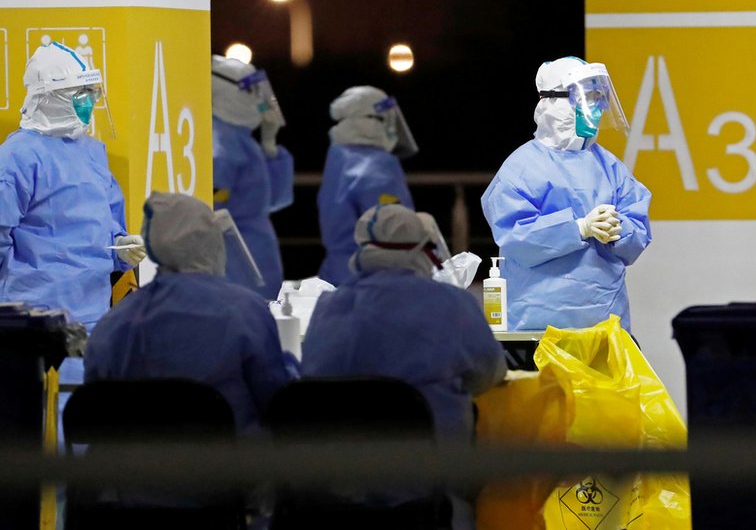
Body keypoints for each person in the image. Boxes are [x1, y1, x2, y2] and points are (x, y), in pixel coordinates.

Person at [302, 204, 506, 530]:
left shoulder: (328, 308)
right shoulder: (452, 304)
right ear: (423, 249)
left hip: (337, 500)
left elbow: (310, 383)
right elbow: (489, 374)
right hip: (432, 499)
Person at [85, 191, 293, 434]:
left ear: (153, 245)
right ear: (212, 240)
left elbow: (95, 405)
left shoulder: (117, 321)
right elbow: (277, 401)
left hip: (139, 467)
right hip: (229, 466)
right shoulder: (246, 311)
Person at [481, 56, 652, 332]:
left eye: (598, 98)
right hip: (536, 324)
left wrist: (619, 229)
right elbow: (515, 237)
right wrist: (579, 227)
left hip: (606, 323)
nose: (594, 108)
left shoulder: (609, 167)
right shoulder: (521, 168)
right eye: (585, 97)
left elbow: (638, 229)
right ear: (553, 102)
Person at [0, 42, 145, 332]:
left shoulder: (91, 153)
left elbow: (105, 225)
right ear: (47, 97)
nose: (88, 102)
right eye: (79, 94)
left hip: (94, 313)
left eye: (92, 93)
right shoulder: (17, 157)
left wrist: (121, 249)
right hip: (33, 319)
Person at [316, 86, 418, 286]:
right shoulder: (379, 165)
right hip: (376, 277)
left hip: (338, 273)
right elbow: (395, 233)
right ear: (371, 122)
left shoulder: (338, 157)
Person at [212, 55, 294, 300]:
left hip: (255, 250)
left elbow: (276, 199)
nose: (258, 98)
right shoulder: (220, 144)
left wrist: (269, 145)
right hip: (234, 255)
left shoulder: (240, 139)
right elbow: (212, 211)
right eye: (250, 90)